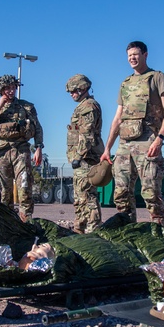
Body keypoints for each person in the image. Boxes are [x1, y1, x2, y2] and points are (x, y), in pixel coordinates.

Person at [102, 41, 164, 227]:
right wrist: (107, 147)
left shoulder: (157, 78)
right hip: (125, 144)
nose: (132, 58)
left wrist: (159, 139)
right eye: (129, 56)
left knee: (151, 193)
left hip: (148, 141)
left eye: (135, 54)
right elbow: (118, 118)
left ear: (145, 55)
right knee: (121, 194)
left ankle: (161, 234)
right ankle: (128, 231)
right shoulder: (125, 84)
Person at [0, 74, 43, 221]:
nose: (10, 91)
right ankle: (7, 224)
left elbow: (38, 128)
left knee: (25, 187)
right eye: (7, 88)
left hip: (21, 150)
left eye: (13, 87)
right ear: (0, 90)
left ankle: (26, 222)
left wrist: (39, 147)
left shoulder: (26, 107)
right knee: (4, 192)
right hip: (2, 153)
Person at [65, 74, 104, 233]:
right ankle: (80, 230)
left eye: (74, 90)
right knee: (80, 198)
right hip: (81, 160)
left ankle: (92, 231)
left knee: (88, 198)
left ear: (82, 89)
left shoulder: (88, 106)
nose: (72, 94)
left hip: (86, 159)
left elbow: (87, 134)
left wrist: (78, 156)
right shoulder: (82, 106)